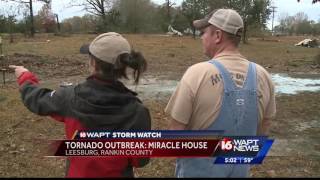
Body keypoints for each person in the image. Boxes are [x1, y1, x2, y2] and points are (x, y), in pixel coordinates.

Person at [9, 32, 151, 178]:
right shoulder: (138, 112)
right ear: (123, 67)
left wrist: (24, 76)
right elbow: (140, 161)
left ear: (93, 63)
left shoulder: (70, 97)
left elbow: (37, 100)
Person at [165, 9, 276, 178]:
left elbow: (175, 136)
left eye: (204, 32)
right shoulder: (263, 76)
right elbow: (263, 130)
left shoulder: (197, 74)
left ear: (217, 35)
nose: (202, 37)